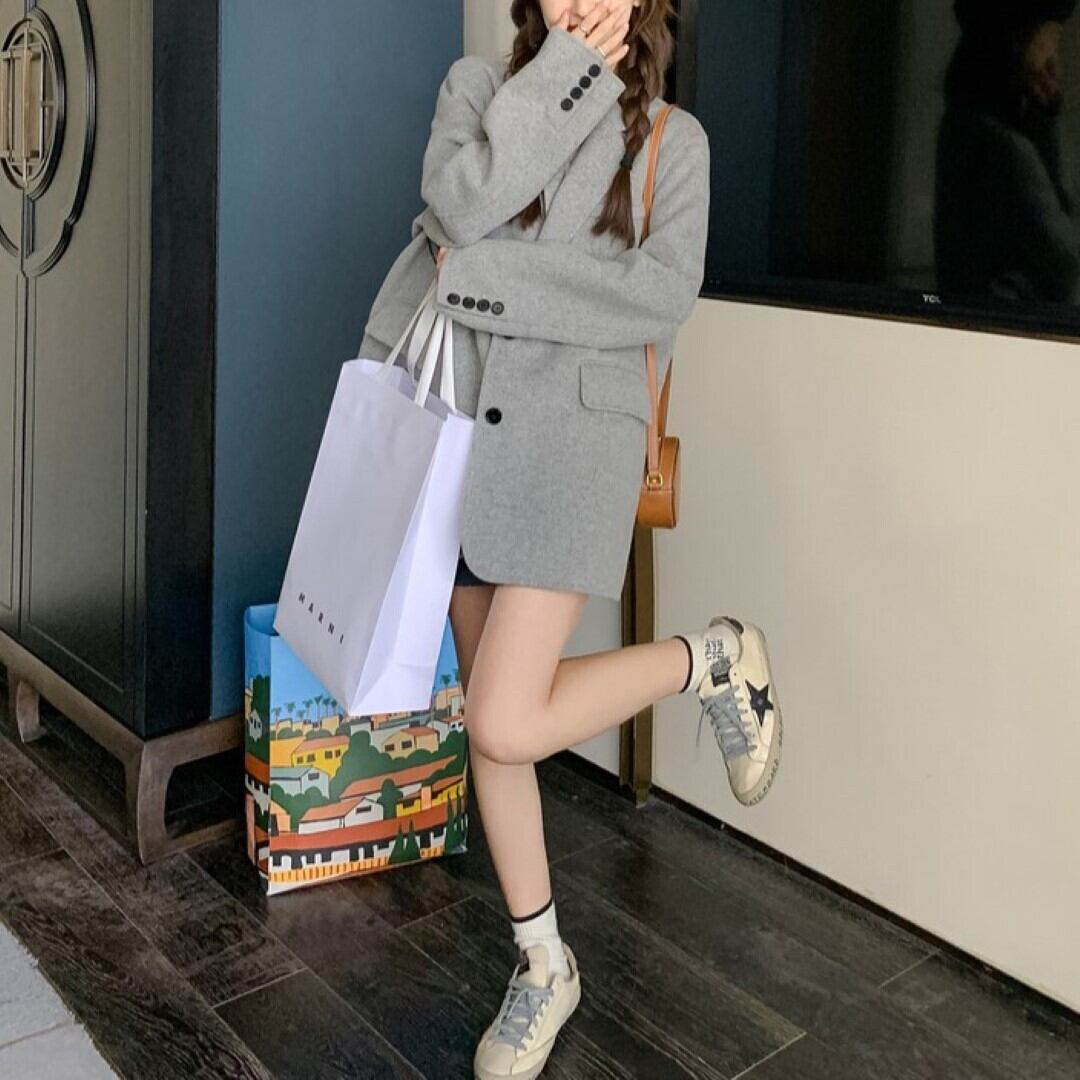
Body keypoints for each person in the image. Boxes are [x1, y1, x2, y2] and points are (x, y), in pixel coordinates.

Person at [357, 3, 783, 1077]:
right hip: (457, 432)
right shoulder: (478, 89)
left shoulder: (676, 143)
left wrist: (481, 276)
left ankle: (706, 658)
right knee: (489, 720)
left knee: (501, 719)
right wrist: (562, 74)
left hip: (570, 450)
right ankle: (543, 963)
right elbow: (460, 202)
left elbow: (654, 295)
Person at [935, 0, 1080, 301]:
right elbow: (1066, 259)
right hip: (1010, 318)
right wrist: (1047, 122)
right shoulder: (1008, 150)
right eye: (1051, 39)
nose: (1054, 57)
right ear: (1018, 42)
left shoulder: (960, 122)